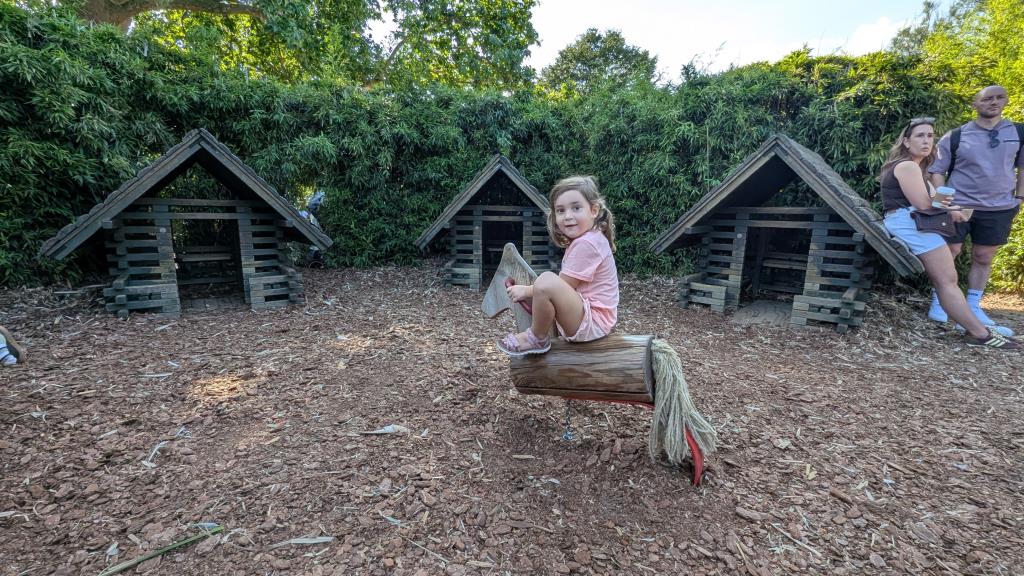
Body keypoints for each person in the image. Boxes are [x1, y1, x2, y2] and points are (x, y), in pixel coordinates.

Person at [881, 117, 1018, 350]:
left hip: (913, 222)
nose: (926, 140)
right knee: (947, 281)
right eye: (920, 136)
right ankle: (979, 333)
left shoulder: (919, 169)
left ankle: (976, 328)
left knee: (948, 280)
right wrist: (949, 208)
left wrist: (954, 208)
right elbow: (924, 205)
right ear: (906, 141)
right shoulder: (907, 166)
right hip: (909, 223)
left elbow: (938, 200)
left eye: (930, 136)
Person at [926, 85, 1023, 334]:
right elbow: (937, 170)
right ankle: (940, 300)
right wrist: (945, 202)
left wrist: (1019, 198)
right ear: (975, 104)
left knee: (984, 256)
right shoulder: (957, 135)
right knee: (950, 250)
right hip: (960, 203)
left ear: (1006, 101)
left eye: (999, 97)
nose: (993, 102)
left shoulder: (1018, 133)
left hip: (999, 206)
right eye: (987, 98)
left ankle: (973, 304)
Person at [496, 176, 619, 357]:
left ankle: (536, 337)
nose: (568, 216)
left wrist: (526, 290)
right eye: (561, 211)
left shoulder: (588, 244)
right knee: (546, 282)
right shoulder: (588, 239)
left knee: (546, 280)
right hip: (591, 317)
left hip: (593, 322)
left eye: (576, 208)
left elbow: (565, 284)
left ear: (594, 210)